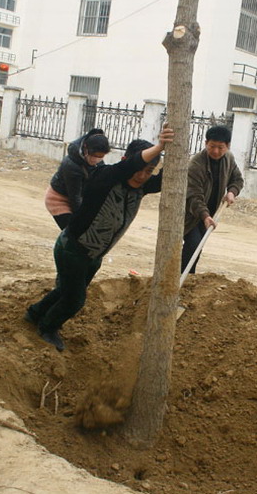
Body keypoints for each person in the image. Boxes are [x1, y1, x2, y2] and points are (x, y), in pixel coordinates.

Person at [24, 127, 173, 352]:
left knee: (67, 290)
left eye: (149, 171)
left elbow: (166, 177)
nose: (142, 176)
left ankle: (34, 314)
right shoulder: (105, 177)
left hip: (95, 255)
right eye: (139, 169)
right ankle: (47, 327)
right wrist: (159, 146)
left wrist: (174, 150)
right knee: (74, 300)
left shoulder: (141, 187)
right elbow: (129, 167)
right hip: (72, 249)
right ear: (125, 161)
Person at [181, 125, 244, 274]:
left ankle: (187, 277)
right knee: (193, 244)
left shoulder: (228, 159)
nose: (216, 151)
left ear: (227, 146)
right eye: (212, 146)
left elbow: (237, 179)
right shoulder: (196, 164)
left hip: (209, 213)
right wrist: (205, 216)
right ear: (206, 143)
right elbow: (194, 196)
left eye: (220, 147)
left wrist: (232, 192)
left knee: (197, 247)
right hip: (191, 213)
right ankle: (182, 277)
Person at [45, 128, 110, 229]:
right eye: (94, 156)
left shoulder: (97, 161)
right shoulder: (71, 165)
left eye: (100, 157)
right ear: (86, 149)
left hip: (81, 198)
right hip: (59, 200)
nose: (96, 160)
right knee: (74, 232)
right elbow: (75, 198)